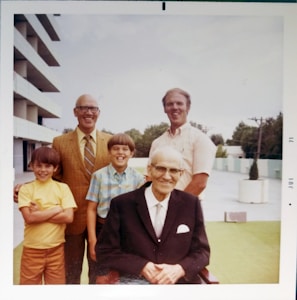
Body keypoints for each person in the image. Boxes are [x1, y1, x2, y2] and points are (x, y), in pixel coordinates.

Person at [14, 94, 112, 284]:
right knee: (70, 274)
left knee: (98, 273)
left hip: (101, 222)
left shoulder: (109, 142)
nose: (88, 112)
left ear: (99, 113)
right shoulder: (60, 142)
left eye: (93, 108)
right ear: (75, 112)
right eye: (83, 108)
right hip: (70, 221)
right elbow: (52, 173)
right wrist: (26, 187)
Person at [96, 146, 210, 284]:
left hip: (179, 283)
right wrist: (142, 266)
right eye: (161, 168)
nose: (167, 176)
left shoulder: (191, 204)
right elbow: (105, 251)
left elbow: (202, 252)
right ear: (149, 169)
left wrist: (180, 269)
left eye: (173, 170)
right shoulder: (122, 204)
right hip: (135, 281)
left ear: (181, 173)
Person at [18, 146, 77, 284]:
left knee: (55, 290)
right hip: (32, 250)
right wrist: (56, 209)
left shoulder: (63, 188)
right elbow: (29, 218)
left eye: (48, 166)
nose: (43, 170)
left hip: (56, 250)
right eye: (38, 165)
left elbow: (68, 217)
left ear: (55, 168)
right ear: (31, 166)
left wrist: (40, 212)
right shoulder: (26, 189)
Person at [86, 133, 145, 265]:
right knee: (98, 271)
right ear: (109, 152)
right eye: (116, 148)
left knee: (124, 271)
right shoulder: (99, 176)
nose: (120, 152)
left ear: (131, 153)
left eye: (125, 149)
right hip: (102, 229)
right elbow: (91, 209)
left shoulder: (138, 178)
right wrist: (92, 240)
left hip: (128, 230)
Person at [149, 88, 216, 198]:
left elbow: (200, 183)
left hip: (186, 209)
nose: (175, 107)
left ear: (188, 108)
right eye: (170, 104)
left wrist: (175, 207)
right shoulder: (157, 143)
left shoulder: (200, 140)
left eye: (179, 103)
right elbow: (150, 178)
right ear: (165, 109)